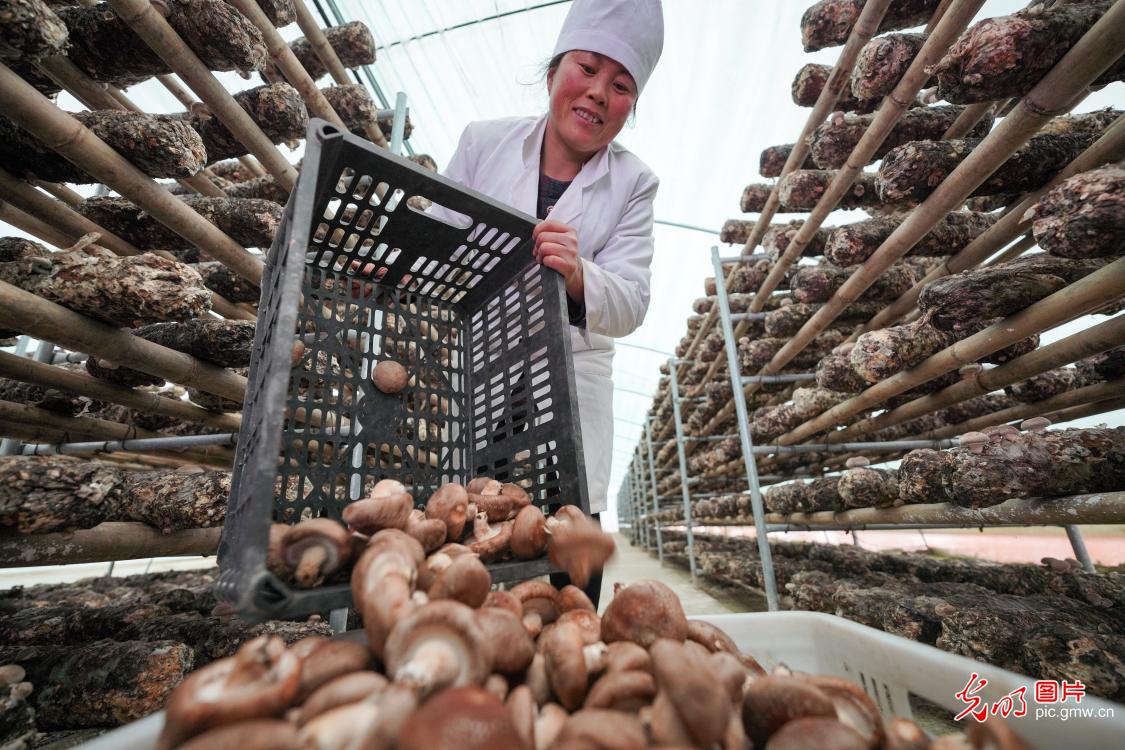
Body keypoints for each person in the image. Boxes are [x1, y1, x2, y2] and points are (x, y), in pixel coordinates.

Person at [443, 0, 663, 607]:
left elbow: (632, 302)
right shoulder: (484, 144)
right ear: (552, 73)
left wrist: (579, 275)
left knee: (569, 577)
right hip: (474, 378)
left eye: (620, 86)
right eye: (586, 69)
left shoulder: (633, 183)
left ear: (631, 106)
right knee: (466, 544)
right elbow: (436, 244)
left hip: (567, 390)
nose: (597, 93)